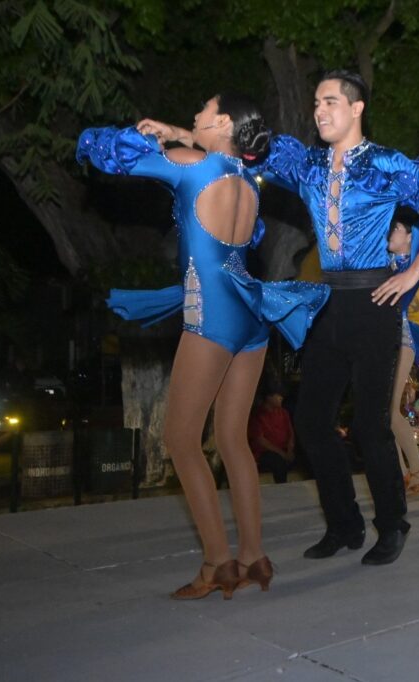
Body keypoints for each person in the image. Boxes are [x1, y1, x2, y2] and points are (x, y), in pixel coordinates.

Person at [78, 94, 330, 598]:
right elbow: (219, 163)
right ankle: (254, 555)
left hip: (212, 314)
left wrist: (144, 136)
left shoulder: (192, 167)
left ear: (223, 121)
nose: (194, 114)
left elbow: (109, 154)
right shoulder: (248, 180)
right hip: (251, 316)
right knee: (233, 438)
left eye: (203, 110)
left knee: (181, 440)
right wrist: (177, 131)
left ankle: (217, 564)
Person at [256, 70, 419, 565]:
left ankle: (392, 525)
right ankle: (344, 524)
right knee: (311, 421)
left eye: (329, 101)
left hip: (375, 303)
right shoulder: (309, 165)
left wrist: (413, 271)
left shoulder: (385, 163)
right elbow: (245, 149)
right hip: (329, 304)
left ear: (356, 108)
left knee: (371, 426)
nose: (319, 111)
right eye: (315, 102)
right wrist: (179, 134)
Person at [387, 206, 419, 495]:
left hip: (399, 340)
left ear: (410, 236)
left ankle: (415, 471)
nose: (389, 233)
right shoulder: (385, 261)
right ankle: (400, 474)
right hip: (379, 340)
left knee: (389, 411)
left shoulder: (413, 266)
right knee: (382, 414)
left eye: (395, 228)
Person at [248, 383, 296, 484]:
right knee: (277, 461)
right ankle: (282, 487)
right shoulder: (258, 415)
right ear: (269, 397)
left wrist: (290, 450)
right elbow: (261, 441)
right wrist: (282, 454)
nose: (281, 398)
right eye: (278, 395)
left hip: (284, 449)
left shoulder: (284, 413)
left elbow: (291, 434)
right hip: (265, 453)